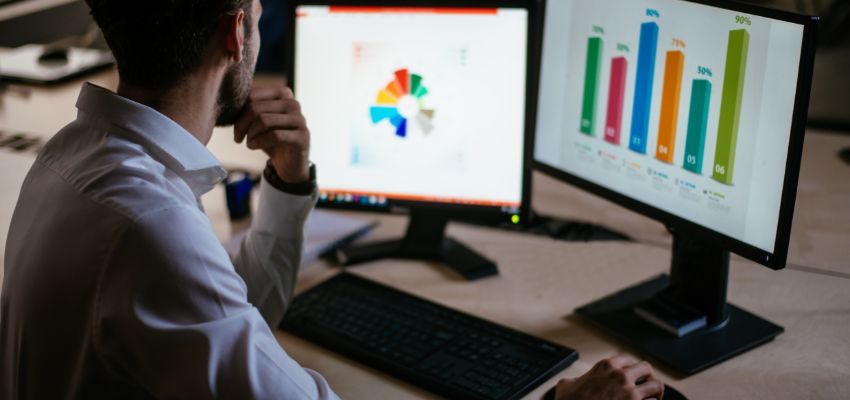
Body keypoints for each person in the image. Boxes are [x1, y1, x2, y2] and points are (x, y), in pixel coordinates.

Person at [0, 0, 665, 399]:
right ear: (236, 34)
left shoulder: (72, 156)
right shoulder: (150, 230)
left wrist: (289, 180)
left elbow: (233, 324)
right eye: (259, 16)